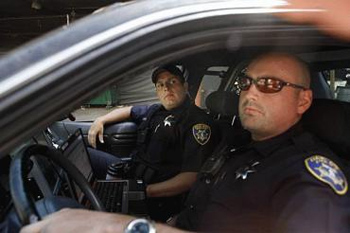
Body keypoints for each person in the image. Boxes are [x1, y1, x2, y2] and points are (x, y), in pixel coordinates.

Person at [21, 52, 350, 233]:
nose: (249, 91)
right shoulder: (240, 143)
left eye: (268, 84)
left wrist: (127, 227)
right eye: (245, 82)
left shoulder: (308, 177)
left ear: (304, 101)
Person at [87, 64, 218, 221]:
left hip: (156, 197)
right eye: (160, 85)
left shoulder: (197, 123)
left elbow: (190, 178)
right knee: (85, 155)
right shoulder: (156, 110)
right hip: (132, 176)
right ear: (156, 91)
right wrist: (101, 120)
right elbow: (129, 110)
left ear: (185, 86)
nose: (166, 88)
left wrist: (144, 191)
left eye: (172, 82)